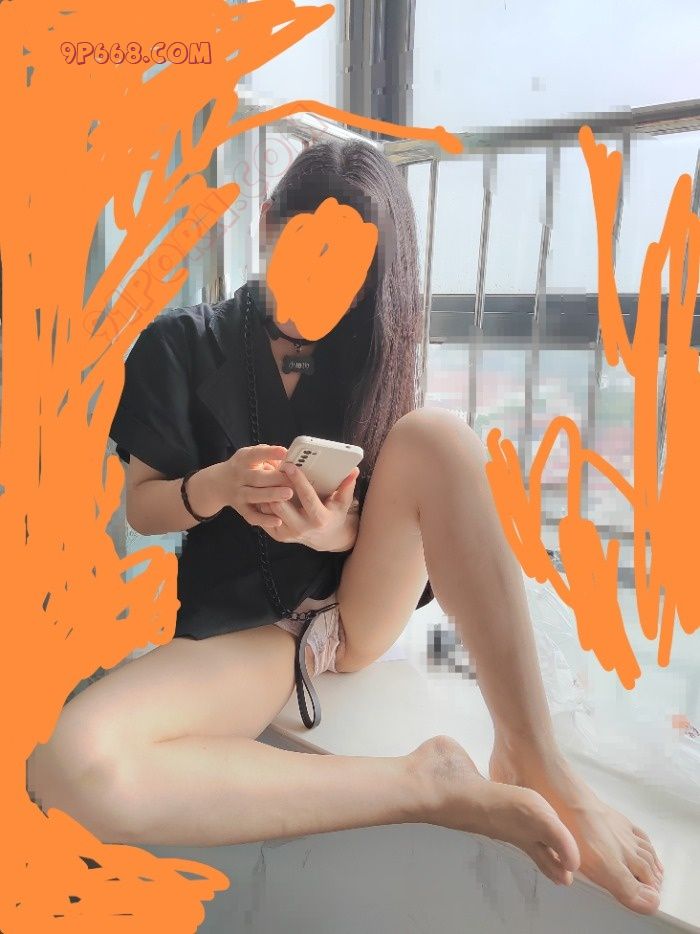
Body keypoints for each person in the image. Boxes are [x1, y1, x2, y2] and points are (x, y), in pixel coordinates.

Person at [27, 140, 663, 915]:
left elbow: (386, 520)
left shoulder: (365, 346)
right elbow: (143, 505)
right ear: (269, 224)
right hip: (259, 629)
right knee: (72, 766)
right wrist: (218, 486)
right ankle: (423, 784)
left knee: (438, 438)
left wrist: (324, 531)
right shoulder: (179, 345)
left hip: (359, 605)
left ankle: (535, 757)